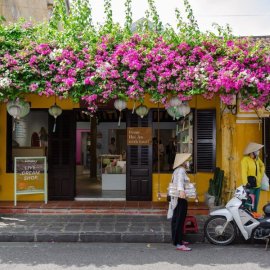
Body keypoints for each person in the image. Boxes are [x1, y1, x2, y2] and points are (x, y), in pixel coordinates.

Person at [167, 153, 192, 251]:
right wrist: (181, 191)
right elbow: (180, 182)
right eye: (187, 161)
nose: (188, 162)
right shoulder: (181, 170)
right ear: (183, 162)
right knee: (179, 220)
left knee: (176, 219)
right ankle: (179, 243)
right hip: (180, 198)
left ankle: (177, 239)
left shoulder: (177, 170)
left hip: (176, 197)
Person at [241, 142, 265, 212]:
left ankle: (254, 216)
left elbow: (262, 165)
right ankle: (247, 217)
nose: (259, 151)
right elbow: (244, 172)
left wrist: (261, 175)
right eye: (257, 150)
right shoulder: (245, 160)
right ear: (253, 152)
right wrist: (246, 183)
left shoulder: (257, 159)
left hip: (258, 185)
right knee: (248, 203)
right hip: (250, 185)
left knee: (256, 203)